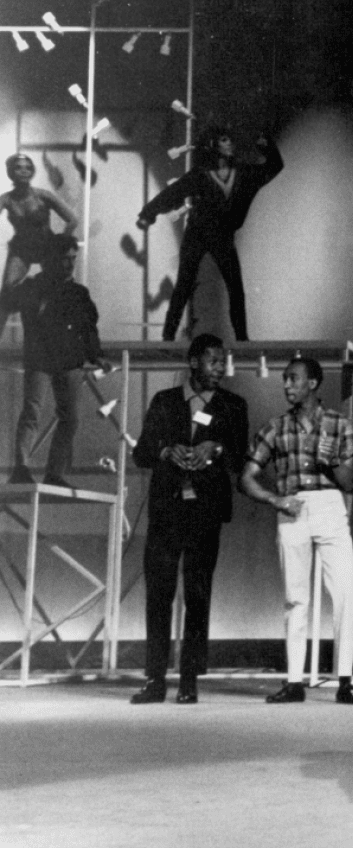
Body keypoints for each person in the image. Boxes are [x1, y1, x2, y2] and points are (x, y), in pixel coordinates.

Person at [130, 334, 248, 705]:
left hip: (205, 512)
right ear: (194, 362)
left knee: (198, 594)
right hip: (167, 511)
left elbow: (241, 458)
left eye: (223, 361)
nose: (220, 368)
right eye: (213, 361)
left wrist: (217, 446)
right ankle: (155, 679)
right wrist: (167, 450)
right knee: (159, 594)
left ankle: (189, 679)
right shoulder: (164, 401)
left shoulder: (233, 406)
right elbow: (141, 453)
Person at [240, 358, 353, 707]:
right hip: (292, 508)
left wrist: (331, 461)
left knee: (345, 595)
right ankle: (294, 681)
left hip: (330, 506)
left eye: (293, 379)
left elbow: (349, 482)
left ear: (313, 383)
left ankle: (345, 681)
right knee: (296, 599)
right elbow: (246, 478)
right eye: (285, 379)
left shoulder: (340, 425)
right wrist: (275, 499)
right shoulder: (276, 427)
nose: (287, 386)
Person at [136, 125, 283, 342]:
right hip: (197, 232)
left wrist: (267, 146)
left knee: (235, 288)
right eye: (224, 140)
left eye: (229, 139)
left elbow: (273, 167)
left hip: (222, 235)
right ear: (213, 145)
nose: (230, 144)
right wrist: (148, 214)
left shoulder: (242, 174)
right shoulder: (201, 175)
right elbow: (173, 193)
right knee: (184, 285)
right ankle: (168, 336)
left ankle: (242, 339)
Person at [7, 234, 109, 486]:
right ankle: (23, 469)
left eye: (73, 258)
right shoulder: (35, 287)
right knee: (33, 411)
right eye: (65, 258)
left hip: (66, 360)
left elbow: (88, 327)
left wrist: (96, 355)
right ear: (52, 259)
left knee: (67, 418)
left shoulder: (77, 293)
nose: (70, 264)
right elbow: (9, 299)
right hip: (43, 358)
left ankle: (52, 473)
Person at [1, 152, 79, 313]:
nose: (24, 171)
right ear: (11, 172)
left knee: (57, 291)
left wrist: (62, 244)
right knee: (7, 290)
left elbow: (72, 220)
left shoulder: (43, 195)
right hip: (22, 250)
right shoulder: (6, 199)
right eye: (18, 168)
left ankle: (59, 327)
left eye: (28, 168)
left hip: (47, 248)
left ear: (32, 172)